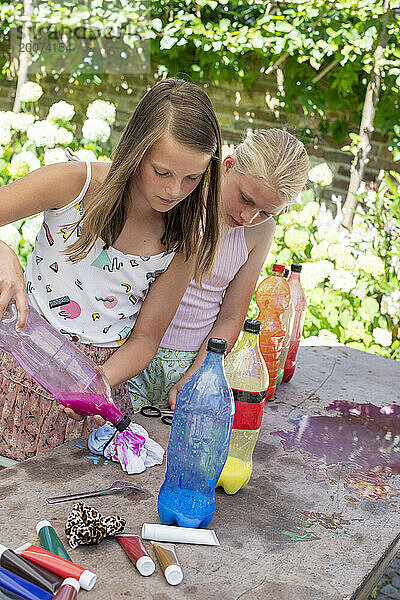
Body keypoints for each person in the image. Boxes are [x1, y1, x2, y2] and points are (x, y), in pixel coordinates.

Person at [0, 78, 222, 460]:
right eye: (163, 172)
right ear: (137, 150)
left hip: (94, 389)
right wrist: (5, 258)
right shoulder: (74, 183)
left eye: (192, 178)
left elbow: (145, 340)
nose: (175, 190)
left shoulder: (183, 238)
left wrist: (96, 383)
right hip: (21, 358)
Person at [128, 129, 309, 410]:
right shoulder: (180, 197)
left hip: (191, 362)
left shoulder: (260, 232)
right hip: (129, 348)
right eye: (246, 199)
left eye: (266, 212)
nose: (249, 217)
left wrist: (198, 374)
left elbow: (230, 318)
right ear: (228, 165)